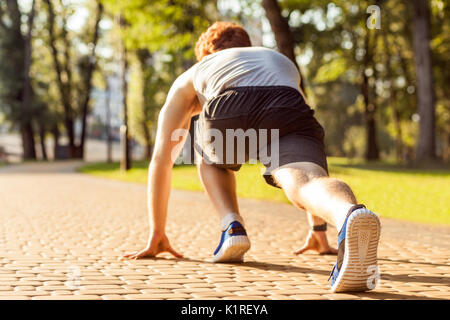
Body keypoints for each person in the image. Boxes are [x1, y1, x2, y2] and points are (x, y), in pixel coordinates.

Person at [121, 22, 381, 293]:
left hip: (228, 106)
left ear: (206, 54)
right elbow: (307, 139)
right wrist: (318, 229)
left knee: (208, 155)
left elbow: (162, 159)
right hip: (286, 101)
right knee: (305, 179)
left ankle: (232, 226)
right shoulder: (277, 61)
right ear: (247, 46)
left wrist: (157, 233)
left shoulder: (199, 69)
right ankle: (348, 214)